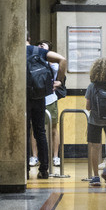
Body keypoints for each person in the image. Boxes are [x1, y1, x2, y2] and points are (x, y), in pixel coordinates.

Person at [26, 40, 63, 181]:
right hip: (40, 96)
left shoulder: (19, 52)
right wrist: (60, 81)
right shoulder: (39, 52)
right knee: (40, 131)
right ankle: (44, 169)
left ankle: (26, 168)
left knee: (27, 131)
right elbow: (62, 59)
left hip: (25, 95)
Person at [83, 57, 106, 186]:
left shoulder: (91, 86)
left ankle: (95, 176)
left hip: (94, 121)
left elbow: (88, 106)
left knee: (94, 146)